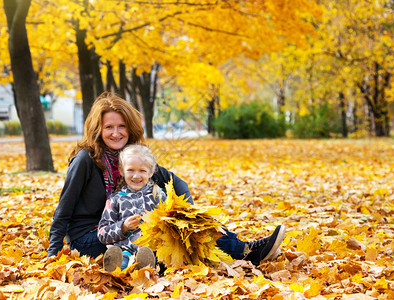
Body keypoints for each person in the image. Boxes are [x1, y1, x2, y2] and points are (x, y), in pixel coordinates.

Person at [48, 92, 285, 268]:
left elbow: (176, 182)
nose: (116, 133)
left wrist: (189, 214)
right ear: (97, 129)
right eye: (109, 127)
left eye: (122, 126)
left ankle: (246, 249)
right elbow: (63, 210)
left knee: (187, 225)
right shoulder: (84, 160)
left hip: (130, 229)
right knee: (163, 235)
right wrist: (53, 255)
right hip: (92, 236)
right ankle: (144, 264)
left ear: (130, 128)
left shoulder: (133, 158)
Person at [97, 144, 164, 271]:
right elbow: (102, 233)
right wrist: (123, 227)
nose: (136, 176)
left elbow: (170, 223)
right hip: (123, 251)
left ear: (150, 172)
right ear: (122, 171)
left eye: (142, 171)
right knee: (121, 261)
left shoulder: (158, 196)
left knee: (148, 256)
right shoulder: (115, 199)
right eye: (131, 170)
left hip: (151, 249)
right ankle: (116, 273)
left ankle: (145, 271)